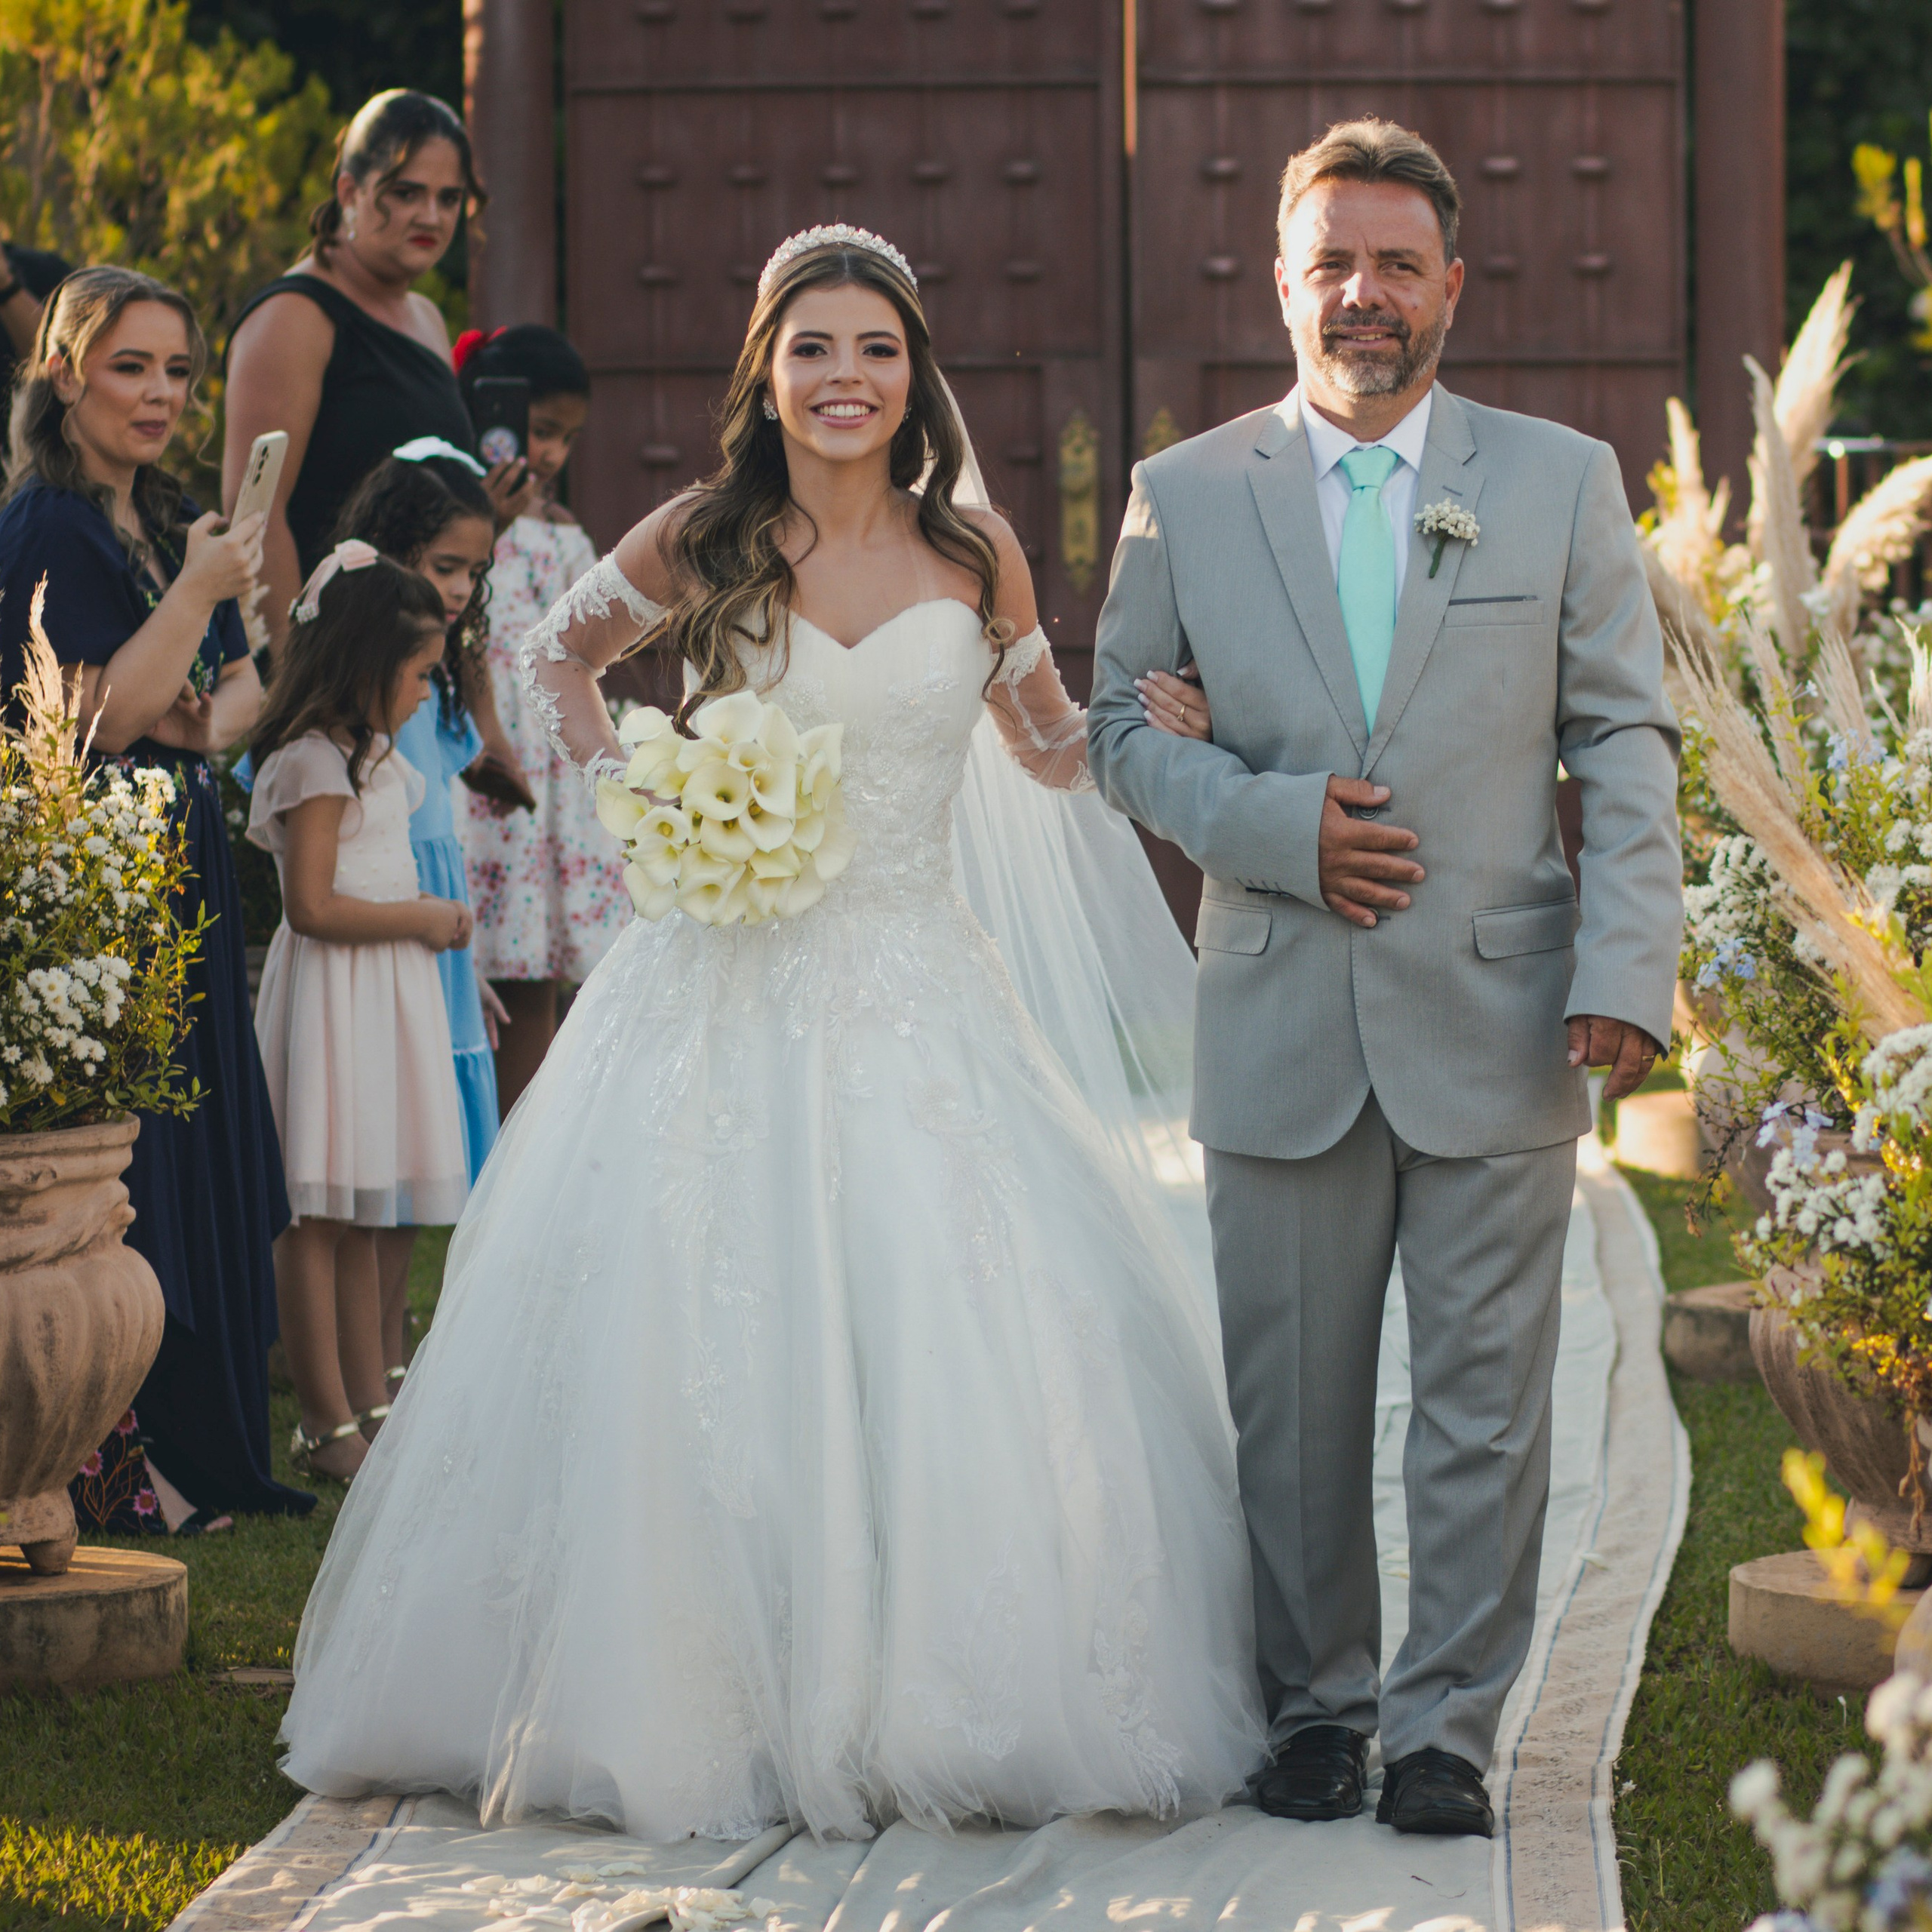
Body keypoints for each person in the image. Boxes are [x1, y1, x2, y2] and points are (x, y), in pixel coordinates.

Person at [279, 226, 1251, 1841]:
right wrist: (655, 784)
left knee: (948, 1321)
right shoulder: (707, 532)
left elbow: (1048, 753)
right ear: (766, 371)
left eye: (874, 347)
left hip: (915, 989)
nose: (845, 377)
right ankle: (674, 1686)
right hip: (716, 984)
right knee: (691, 1328)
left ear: (912, 370)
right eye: (812, 347)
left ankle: (950, 1681)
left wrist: (1152, 719)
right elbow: (549, 651)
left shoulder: (973, 556)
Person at [1088, 119, 1683, 1838]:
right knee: (1287, 1407)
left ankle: (1441, 1730)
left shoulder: (1560, 479)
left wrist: (1623, 963)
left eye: (1394, 262)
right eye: (1330, 260)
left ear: (1449, 285)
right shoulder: (1182, 494)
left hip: (1500, 1006)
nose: (1362, 293)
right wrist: (1269, 823)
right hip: (1274, 1003)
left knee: (1486, 1409)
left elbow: (1621, 742)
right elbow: (1116, 723)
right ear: (1280, 281)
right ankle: (1312, 1713)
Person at [0, 266, 312, 1529]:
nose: (161, 395)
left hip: (181, 862)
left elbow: (244, 686)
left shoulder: (165, 514)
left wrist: (196, 705)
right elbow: (81, 721)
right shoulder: (50, 528)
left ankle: (210, 1448)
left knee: (201, 1149)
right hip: (101, 881)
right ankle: (141, 1468)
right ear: (68, 371)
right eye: (132, 367)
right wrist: (182, 620)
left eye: (179, 372)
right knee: (140, 1172)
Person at [246, 546, 473, 1483]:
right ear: (367, 663)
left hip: (382, 996)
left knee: (367, 1198)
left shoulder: (375, 762)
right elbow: (312, 906)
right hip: (336, 996)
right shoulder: (314, 764)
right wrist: (422, 919)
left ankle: (371, 1402)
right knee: (318, 1211)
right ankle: (324, 1421)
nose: (430, 691)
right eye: (421, 673)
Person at [221, 89, 534, 656]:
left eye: (450, 198)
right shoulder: (294, 317)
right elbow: (255, 519)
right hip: (329, 663)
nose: (432, 216)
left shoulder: (425, 318)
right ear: (350, 191)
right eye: (406, 192)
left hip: (415, 662)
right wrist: (298, 677)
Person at [331, 442, 506, 1384]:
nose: (462, 590)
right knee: (379, 1165)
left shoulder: (435, 677)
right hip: (383, 927)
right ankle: (358, 1376)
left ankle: (395, 1360)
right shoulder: (353, 683)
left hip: (435, 936)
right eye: (445, 567)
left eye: (475, 572)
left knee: (417, 1171)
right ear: (390, 550)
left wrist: (465, 966)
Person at [452, 325, 629, 1113]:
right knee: (471, 959)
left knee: (536, 969)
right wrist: (481, 524)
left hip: (547, 771)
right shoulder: (452, 513)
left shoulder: (563, 531)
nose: (553, 452)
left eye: (568, 437)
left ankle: (527, 1140)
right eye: (541, 430)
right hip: (479, 755)